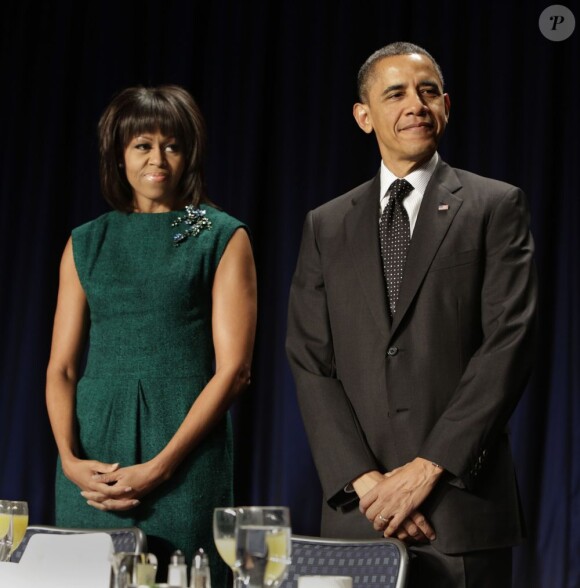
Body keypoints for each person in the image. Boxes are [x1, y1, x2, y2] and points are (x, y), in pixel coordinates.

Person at [286, 42, 538, 587]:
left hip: (459, 511)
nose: (415, 105)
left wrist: (427, 469)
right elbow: (310, 360)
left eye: (428, 92)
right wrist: (368, 483)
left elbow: (509, 344)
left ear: (446, 105)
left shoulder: (496, 205)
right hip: (361, 513)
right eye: (395, 93)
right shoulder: (326, 225)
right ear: (363, 116)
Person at [45, 85, 257, 586]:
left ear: (189, 156)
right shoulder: (86, 241)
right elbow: (62, 368)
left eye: (172, 145)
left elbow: (235, 371)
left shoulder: (218, 234)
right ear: (119, 156)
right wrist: (71, 461)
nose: (157, 158)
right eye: (142, 145)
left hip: (184, 459)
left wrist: (161, 468)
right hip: (94, 461)